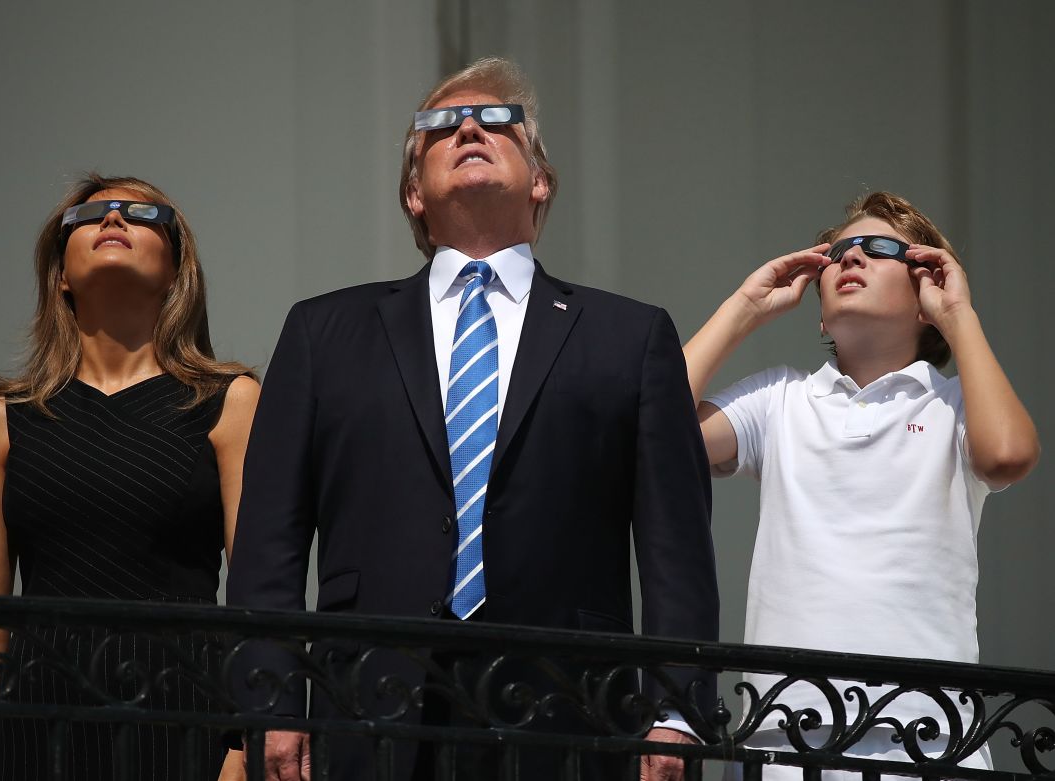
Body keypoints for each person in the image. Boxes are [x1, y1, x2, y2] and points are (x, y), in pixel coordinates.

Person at [226, 56, 719, 781]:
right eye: (439, 125)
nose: (467, 128)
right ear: (413, 193)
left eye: (497, 120)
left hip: (568, 712)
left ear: (541, 178)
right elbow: (269, 539)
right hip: (370, 704)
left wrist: (675, 710)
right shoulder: (323, 332)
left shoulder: (630, 336)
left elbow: (676, 547)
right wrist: (268, 701)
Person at [683, 191, 1040, 779]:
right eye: (839, 253)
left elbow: (1007, 456)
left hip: (927, 736)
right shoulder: (780, 399)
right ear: (820, 313)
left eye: (879, 250)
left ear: (926, 295)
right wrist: (744, 307)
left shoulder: (954, 403)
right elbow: (655, 432)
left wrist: (959, 316)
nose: (852, 259)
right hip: (784, 736)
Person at [0, 174, 259, 781]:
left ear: (176, 270)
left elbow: (255, 603)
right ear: (61, 271)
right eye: (89, 215)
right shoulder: (1, 419)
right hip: (39, 732)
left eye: (139, 213)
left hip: (184, 726)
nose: (112, 219)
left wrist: (241, 748)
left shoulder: (228, 402)